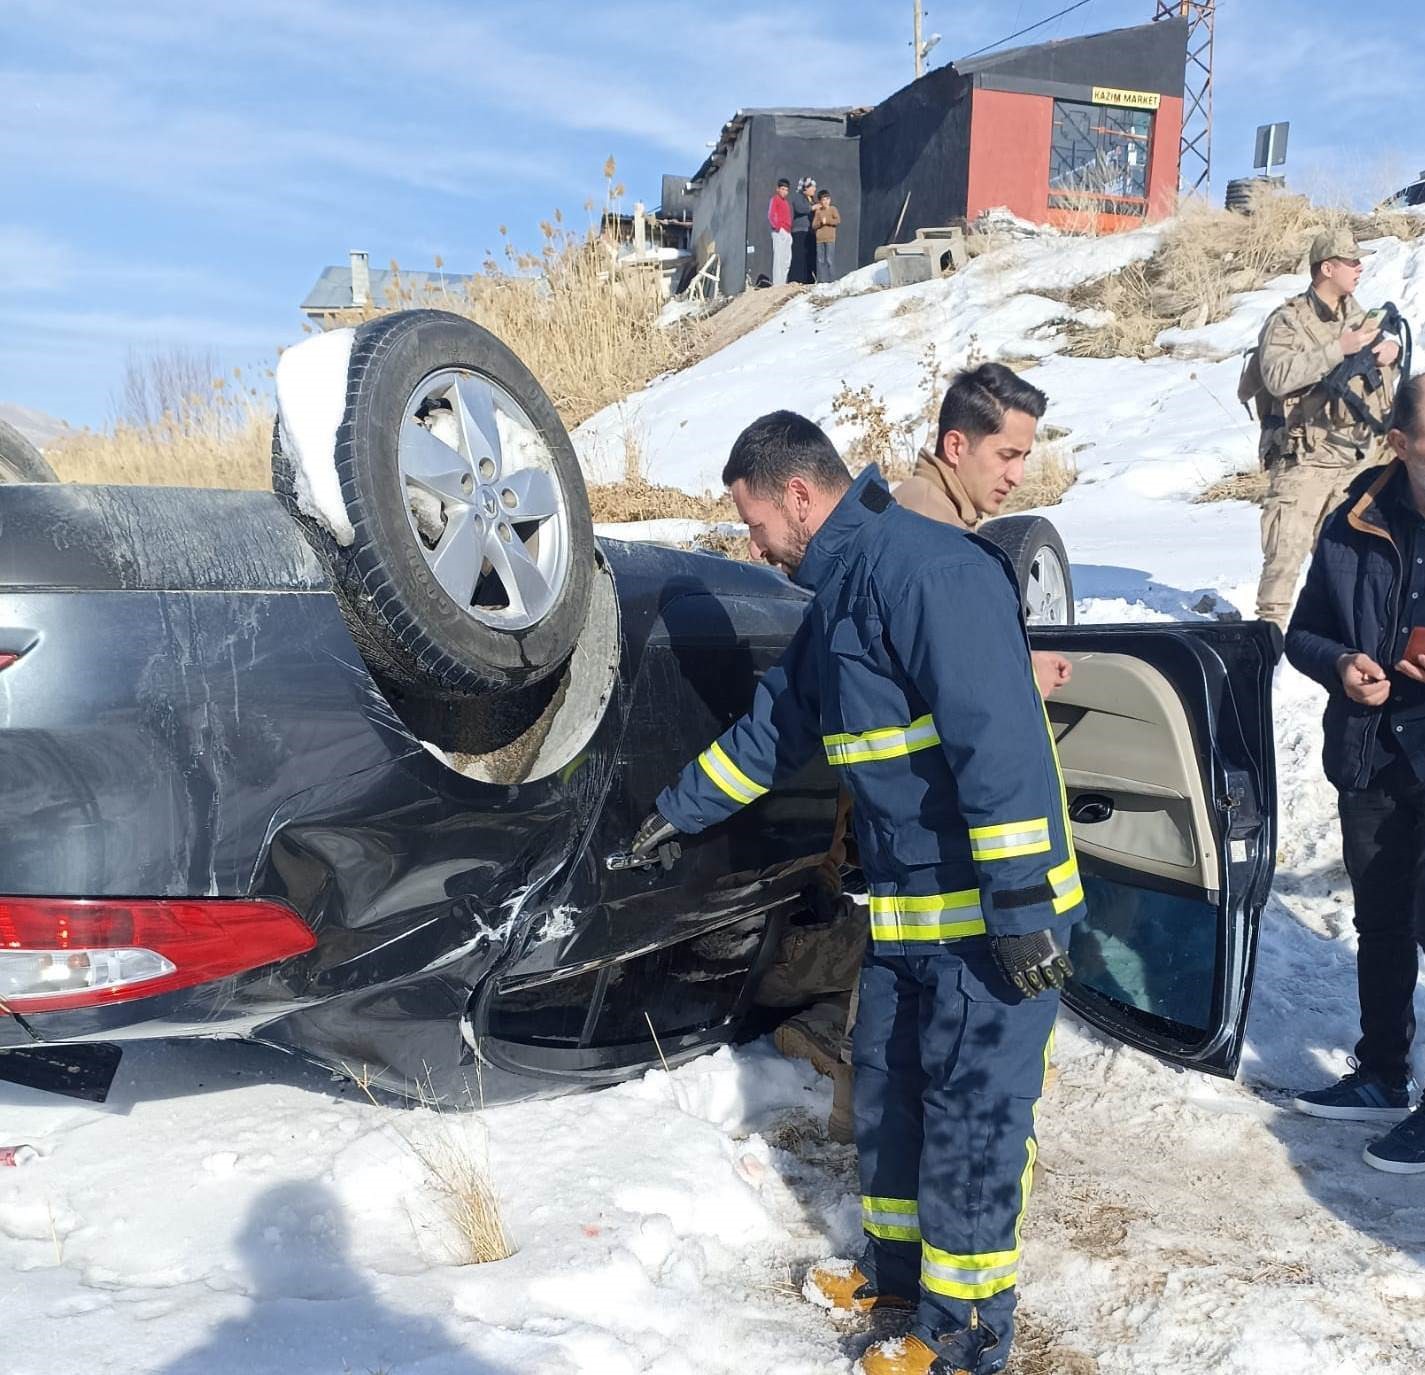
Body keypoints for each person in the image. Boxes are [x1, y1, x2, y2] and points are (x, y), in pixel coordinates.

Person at [626, 411, 1085, 1375]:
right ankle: (896, 1280)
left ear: (799, 495)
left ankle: (963, 1339)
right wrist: (676, 809)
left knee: (973, 1119)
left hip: (990, 920)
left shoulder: (934, 573)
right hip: (910, 914)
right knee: (888, 1095)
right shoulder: (837, 596)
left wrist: (1016, 911)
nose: (752, 545)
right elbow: (772, 731)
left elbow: (995, 749)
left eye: (753, 524)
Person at [765, 367, 1074, 1144]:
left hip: (918, 882)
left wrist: (1010, 668)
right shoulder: (932, 547)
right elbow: (979, 740)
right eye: (1006, 454)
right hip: (939, 885)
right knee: (957, 1110)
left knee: (903, 1080)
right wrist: (1019, 906)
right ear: (954, 443)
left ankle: (882, 1198)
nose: (1016, 475)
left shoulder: (913, 531)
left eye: (1024, 457)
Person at [1286, 373, 1425, 1173]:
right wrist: (1342, 663)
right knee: (1379, 920)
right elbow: (1302, 631)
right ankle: (1380, 1073)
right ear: (1399, 444)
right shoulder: (1353, 520)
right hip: (1374, 746)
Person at [1251, 228, 1403, 628]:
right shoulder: (1288, 320)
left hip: (1355, 460)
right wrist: (1340, 348)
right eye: (1351, 261)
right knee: (1284, 560)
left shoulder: (1358, 315)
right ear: (1326, 268)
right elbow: (1277, 376)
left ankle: (1332, 645)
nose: (1359, 267)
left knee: (1345, 563)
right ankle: (1267, 652)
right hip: (1305, 461)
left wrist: (1391, 354)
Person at [792, 176, 817, 285]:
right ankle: (798, 280)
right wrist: (812, 208)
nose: (814, 189)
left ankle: (809, 279)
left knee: (809, 256)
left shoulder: (812, 199)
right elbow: (799, 208)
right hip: (800, 231)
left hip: (810, 231)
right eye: (812, 187)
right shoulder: (798, 197)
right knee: (800, 256)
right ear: (805, 188)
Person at [813, 188, 841, 283]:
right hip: (820, 239)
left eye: (827, 199)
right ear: (820, 201)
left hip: (830, 238)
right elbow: (813, 225)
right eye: (823, 199)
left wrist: (827, 221)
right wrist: (820, 223)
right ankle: (822, 281)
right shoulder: (818, 211)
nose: (825, 201)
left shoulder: (833, 209)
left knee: (829, 260)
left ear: (830, 200)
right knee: (820, 261)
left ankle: (832, 280)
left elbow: (837, 220)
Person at [769, 178, 793, 287]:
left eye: (786, 190)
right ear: (777, 189)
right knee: (778, 258)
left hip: (787, 232)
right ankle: (777, 283)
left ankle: (783, 282)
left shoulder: (786, 202)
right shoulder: (775, 199)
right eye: (782, 189)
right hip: (779, 231)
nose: (784, 191)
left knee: (787, 259)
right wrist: (777, 227)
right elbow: (771, 215)